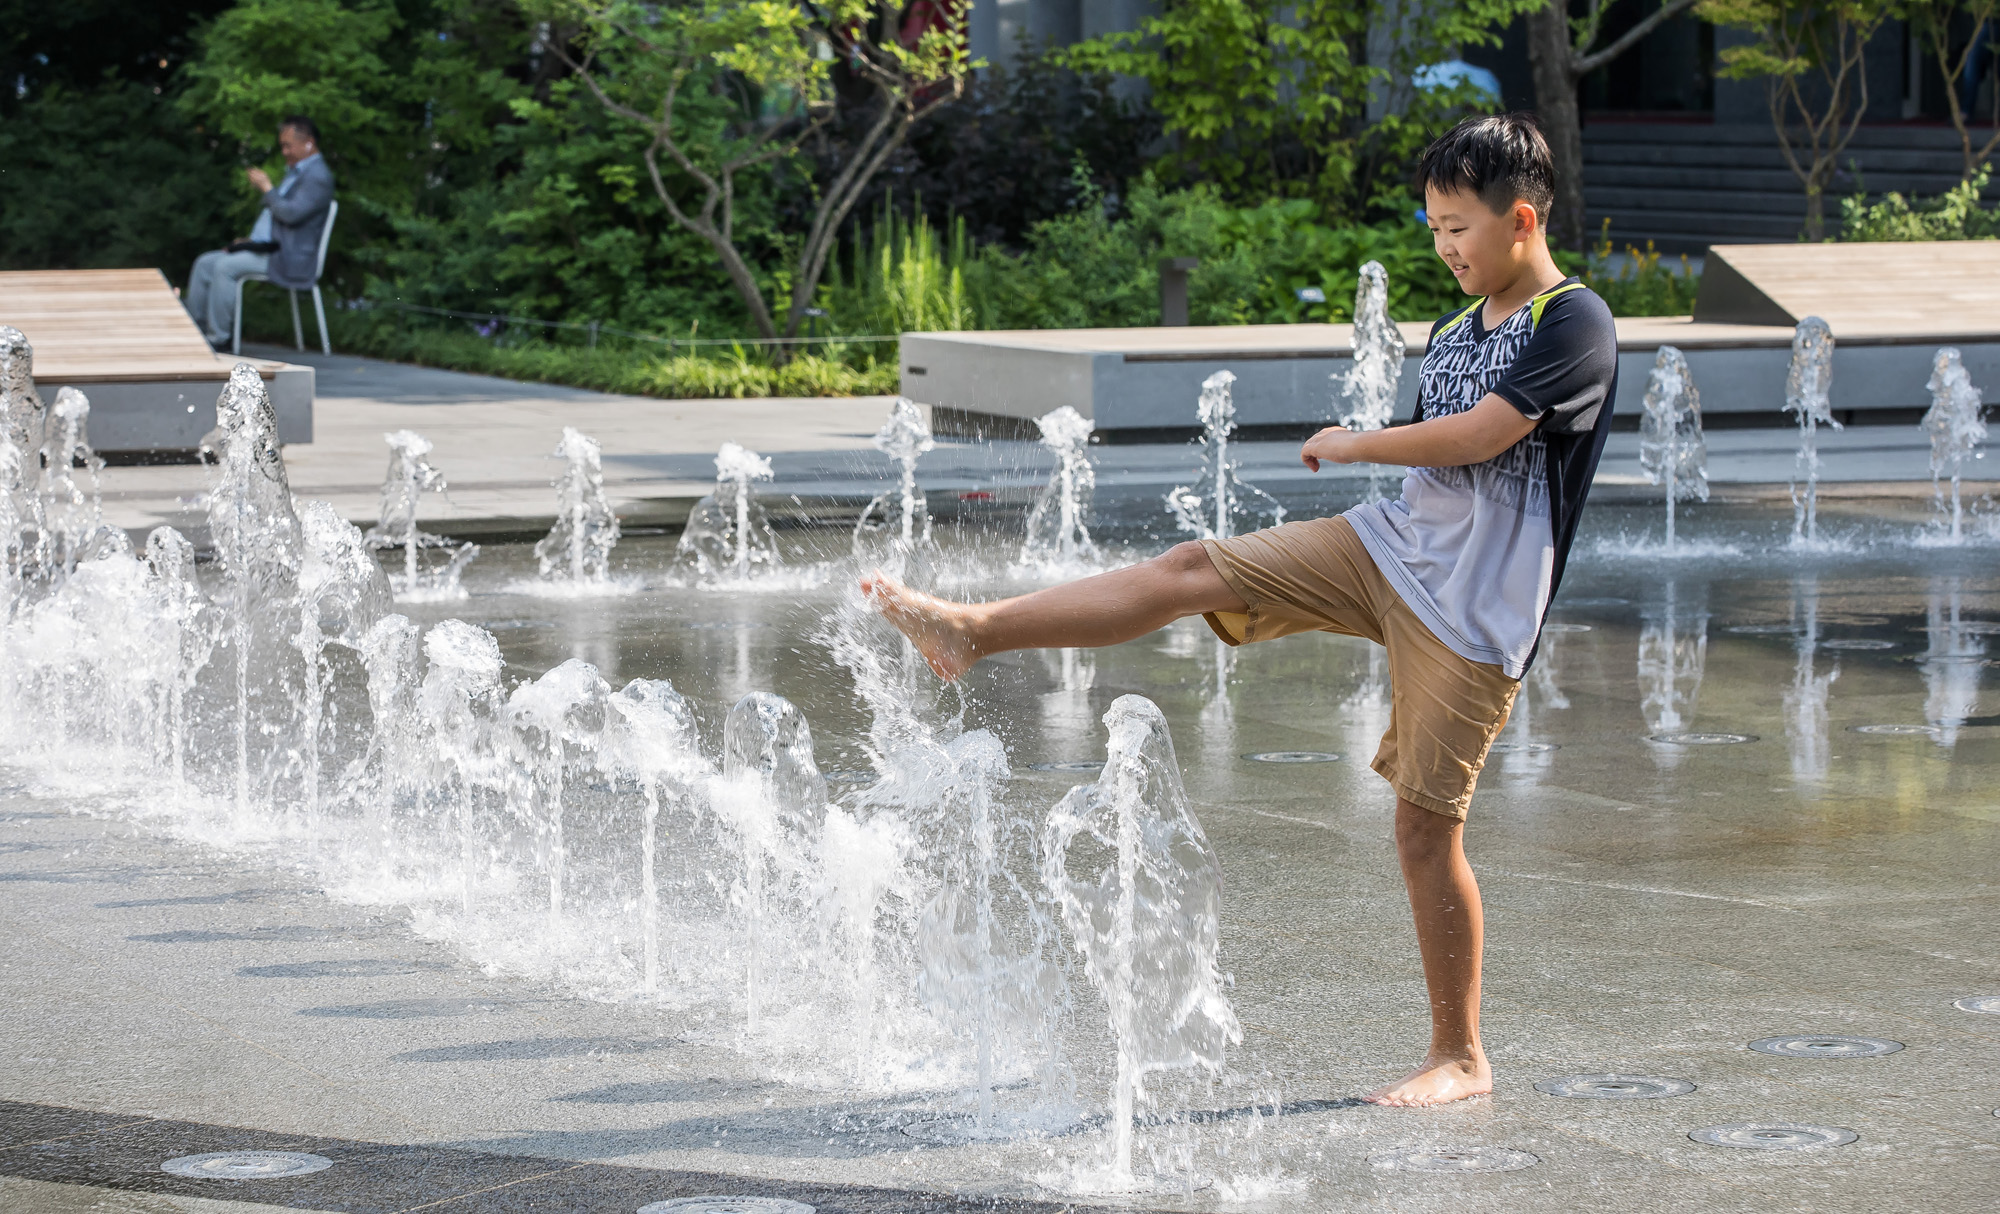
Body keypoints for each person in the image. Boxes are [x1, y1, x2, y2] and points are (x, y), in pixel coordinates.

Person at [861, 113, 1619, 1108]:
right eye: (1430, 229)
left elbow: (1479, 437)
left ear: (1520, 220)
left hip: (1472, 614)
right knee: (1192, 564)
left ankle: (1460, 1055)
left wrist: (1356, 442)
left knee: (1422, 829)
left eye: (1457, 230)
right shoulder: (1451, 329)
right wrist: (1371, 455)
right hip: (1386, 548)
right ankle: (973, 627)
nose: (1442, 249)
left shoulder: (1573, 321)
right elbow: (1438, 452)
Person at [183, 116, 335, 351]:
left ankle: (218, 339)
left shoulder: (318, 177)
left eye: (288, 145)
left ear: (308, 143)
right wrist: (249, 243)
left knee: (225, 268)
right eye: (282, 145)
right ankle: (196, 333)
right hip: (268, 249)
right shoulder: (296, 173)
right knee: (205, 262)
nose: (284, 151)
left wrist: (266, 187)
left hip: (288, 258)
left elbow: (290, 215)